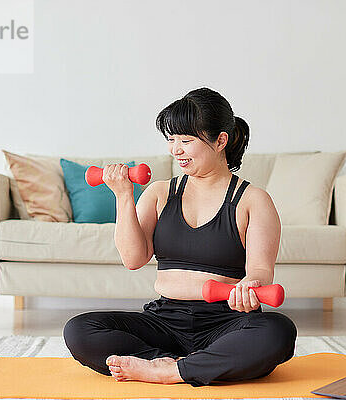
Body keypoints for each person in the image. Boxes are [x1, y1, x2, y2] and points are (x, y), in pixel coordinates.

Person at [63, 87, 297, 386]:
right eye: (171, 140)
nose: (176, 150)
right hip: (165, 320)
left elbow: (260, 272)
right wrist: (123, 195)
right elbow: (133, 259)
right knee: (80, 329)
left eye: (186, 141)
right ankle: (179, 363)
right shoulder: (160, 193)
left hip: (227, 322)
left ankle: (166, 371)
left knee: (278, 332)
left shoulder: (253, 200)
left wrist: (250, 288)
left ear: (220, 141)